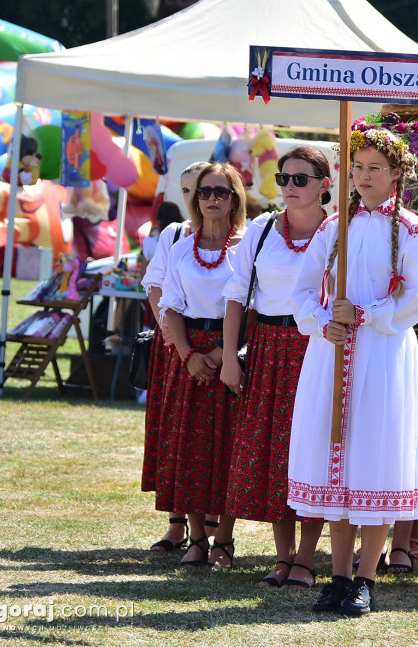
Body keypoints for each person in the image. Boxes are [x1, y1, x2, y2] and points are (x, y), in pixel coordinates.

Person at [286, 128, 418, 616]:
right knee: (337, 462)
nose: (364, 177)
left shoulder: (411, 229)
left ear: (395, 175)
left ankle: (366, 577)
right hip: (332, 353)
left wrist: (367, 315)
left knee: (374, 458)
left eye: (375, 168)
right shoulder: (333, 228)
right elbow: (305, 288)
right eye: (358, 168)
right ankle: (339, 574)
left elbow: (414, 298)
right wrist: (325, 322)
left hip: (383, 354)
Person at [217, 147, 330, 589]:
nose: (290, 187)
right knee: (273, 454)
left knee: (315, 450)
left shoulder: (339, 231)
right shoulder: (262, 229)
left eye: (301, 179)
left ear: (324, 184)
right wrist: (230, 356)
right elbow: (235, 295)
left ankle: (306, 557)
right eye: (284, 178)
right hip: (268, 348)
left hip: (317, 348)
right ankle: (284, 556)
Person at [154, 162, 247, 568]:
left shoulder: (247, 247)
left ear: (234, 199)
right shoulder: (180, 246)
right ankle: (195, 538)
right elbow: (169, 304)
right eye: (204, 192)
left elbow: (252, 307)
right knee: (188, 445)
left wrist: (225, 355)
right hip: (188, 353)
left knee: (231, 447)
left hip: (232, 353)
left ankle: (223, 540)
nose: (211, 198)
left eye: (221, 192)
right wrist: (189, 354)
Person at [140, 162, 215, 554]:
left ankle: (213, 528)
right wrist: (171, 334)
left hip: (207, 339)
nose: (193, 198)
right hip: (173, 342)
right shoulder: (174, 233)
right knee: (174, 430)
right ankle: (176, 523)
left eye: (199, 189)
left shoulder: (234, 235)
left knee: (211, 432)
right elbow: (155, 286)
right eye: (188, 190)